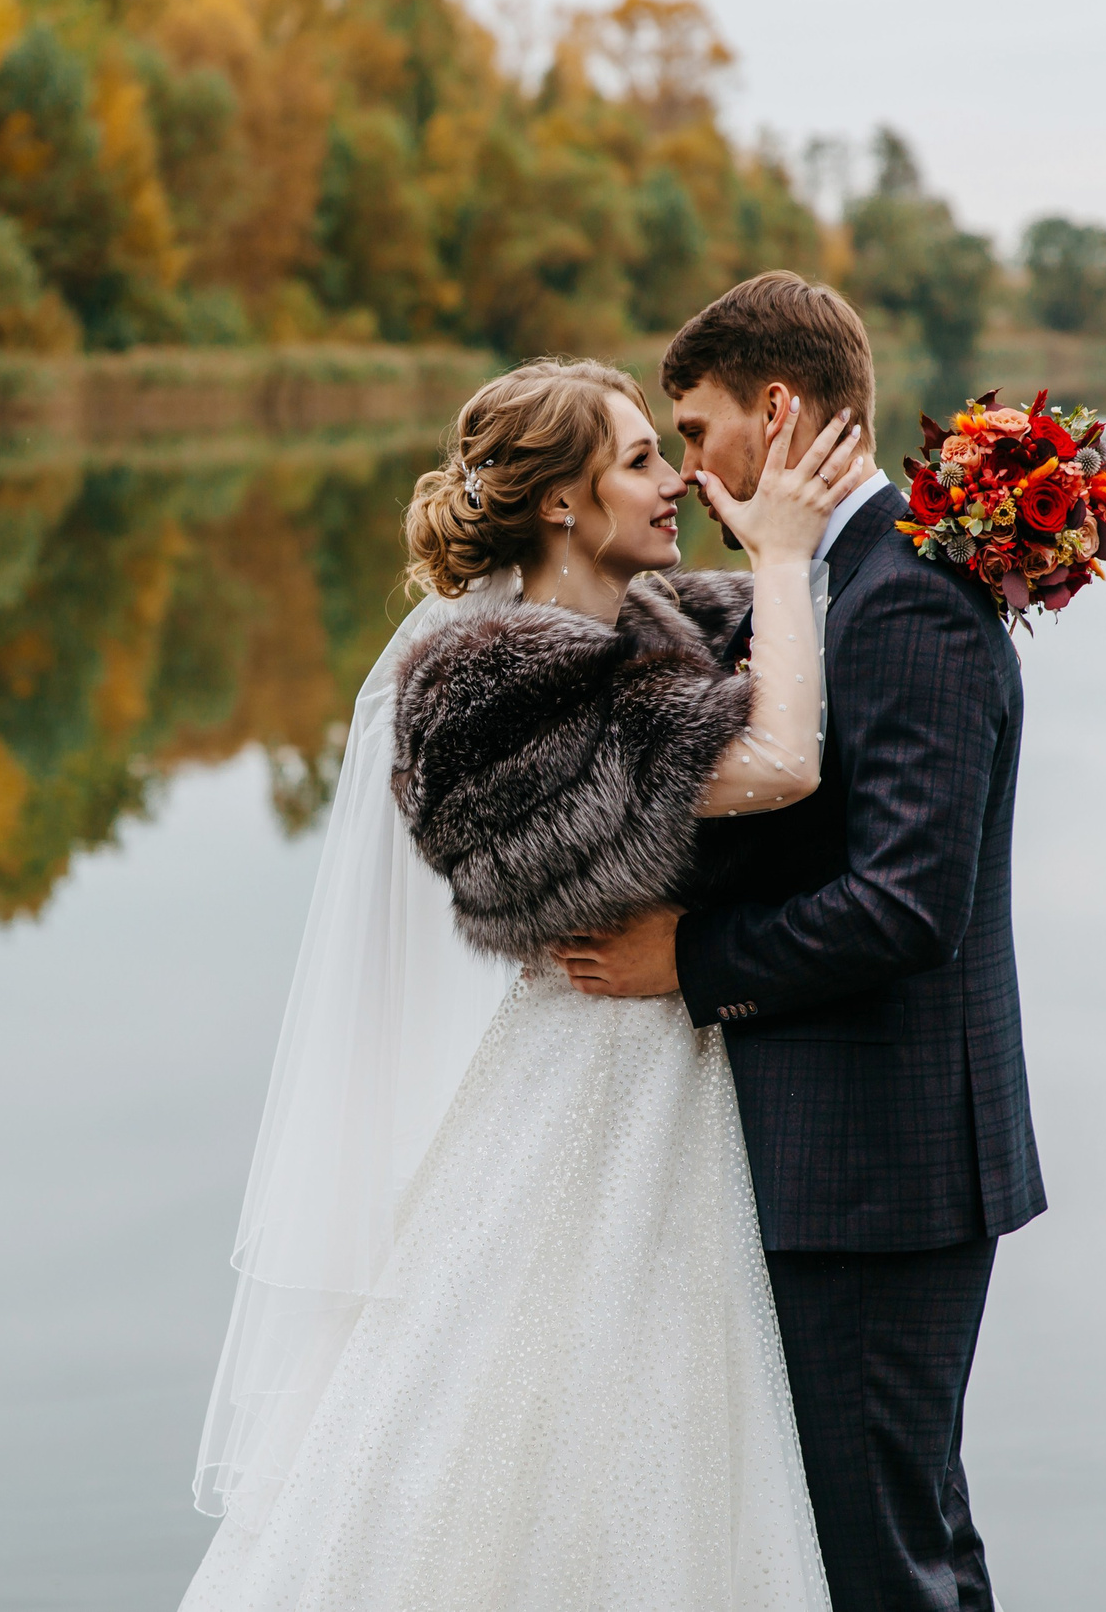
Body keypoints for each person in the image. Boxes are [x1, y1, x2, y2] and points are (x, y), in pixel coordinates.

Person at [183, 354, 876, 1609]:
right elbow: (777, 757)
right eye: (639, 460)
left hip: (664, 1076)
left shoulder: (645, 640)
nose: (675, 480)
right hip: (580, 1084)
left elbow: (806, 633)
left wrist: (876, 540)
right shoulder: (499, 689)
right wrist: (778, 557)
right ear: (560, 503)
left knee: (652, 1423)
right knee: (518, 1423)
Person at [553, 273, 1045, 1612]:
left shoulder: (905, 599)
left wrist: (688, 960)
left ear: (775, 413)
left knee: (884, 1553)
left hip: (882, 1170)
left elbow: (905, 901)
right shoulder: (823, 585)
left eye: (699, 430)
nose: (692, 467)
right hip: (839, 1156)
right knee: (880, 1533)